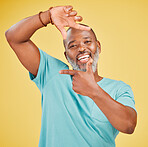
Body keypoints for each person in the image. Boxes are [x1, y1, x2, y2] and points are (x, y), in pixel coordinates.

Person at [5, 5, 137, 147]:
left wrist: (94, 91)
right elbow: (14, 37)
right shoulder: (53, 74)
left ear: (98, 46)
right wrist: (47, 17)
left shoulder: (119, 88)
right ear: (66, 55)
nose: (81, 48)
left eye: (87, 42)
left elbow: (129, 125)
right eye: (73, 46)